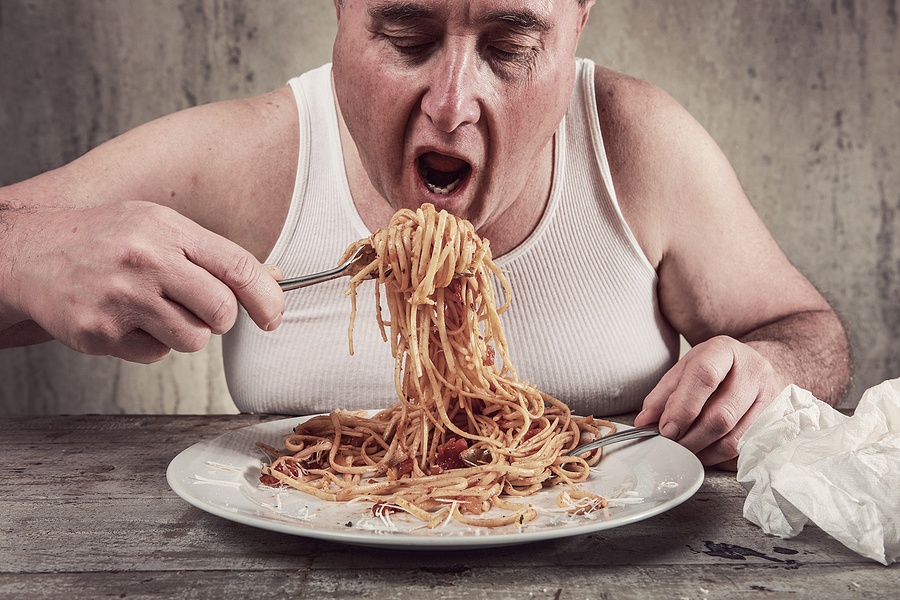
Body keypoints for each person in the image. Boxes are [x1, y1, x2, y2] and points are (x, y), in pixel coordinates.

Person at [0, 0, 849, 469]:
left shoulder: (637, 142)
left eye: (512, 44)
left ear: (579, 18)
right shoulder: (253, 154)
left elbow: (807, 332)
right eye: (406, 38)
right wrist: (21, 257)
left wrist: (767, 372)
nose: (451, 105)